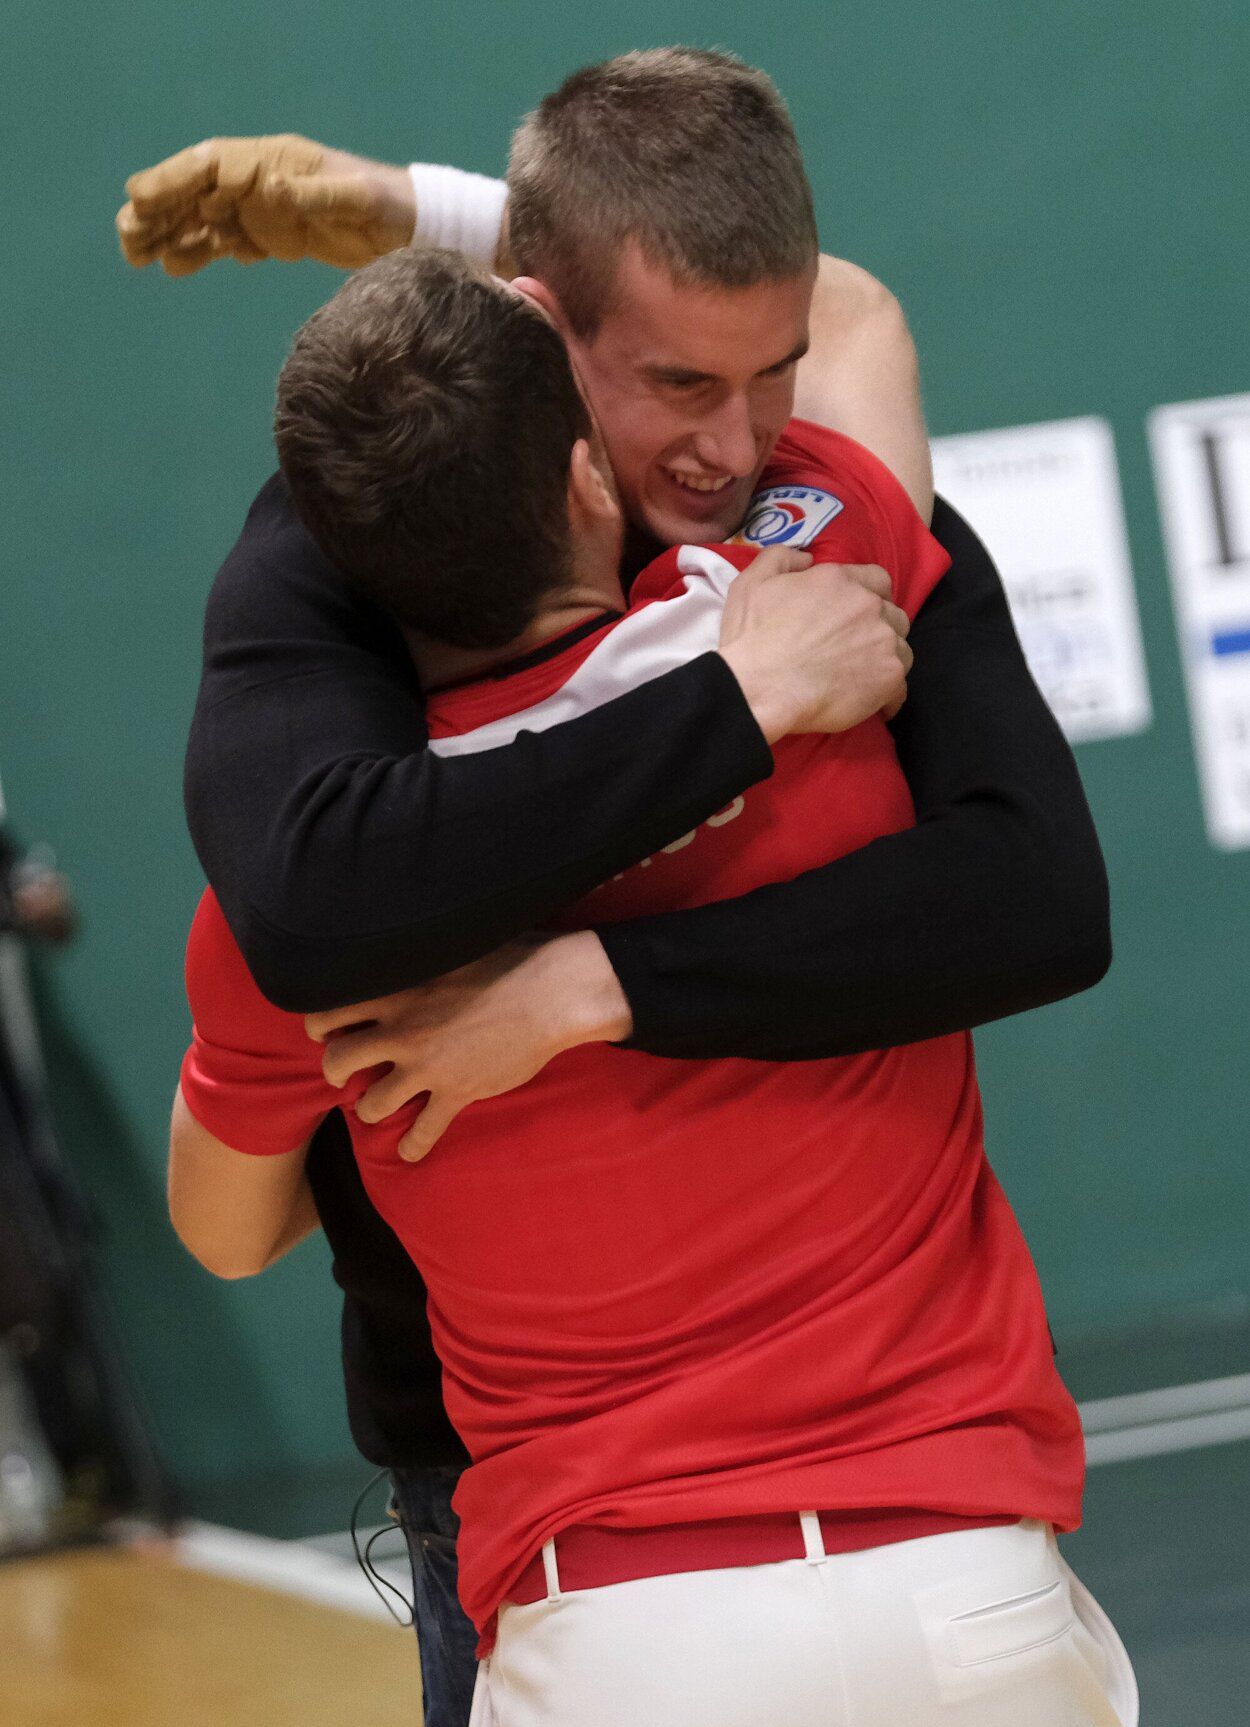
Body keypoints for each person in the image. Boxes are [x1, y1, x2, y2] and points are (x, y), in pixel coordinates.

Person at [129, 49, 1112, 1727]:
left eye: (768, 375)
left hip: (615, 1602)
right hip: (931, 1567)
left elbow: (227, 1210)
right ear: (539, 344)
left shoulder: (342, 870)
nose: (735, 443)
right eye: (672, 384)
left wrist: (585, 991)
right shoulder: (829, 577)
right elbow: (869, 326)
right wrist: (738, 706)